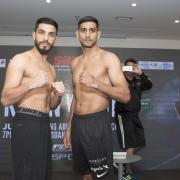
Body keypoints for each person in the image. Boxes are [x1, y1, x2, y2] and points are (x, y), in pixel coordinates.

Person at [63, 16, 130, 180]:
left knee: (101, 174)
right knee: (85, 173)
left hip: (97, 123)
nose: (87, 35)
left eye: (92, 30)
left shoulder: (109, 58)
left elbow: (125, 95)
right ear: (77, 34)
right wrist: (69, 127)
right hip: (78, 123)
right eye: (83, 30)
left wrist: (96, 84)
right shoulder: (75, 63)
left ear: (98, 34)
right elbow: (76, 98)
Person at [1, 17, 65, 180]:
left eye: (51, 34)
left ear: (55, 38)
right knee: (26, 173)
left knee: (42, 173)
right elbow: (5, 99)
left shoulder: (51, 69)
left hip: (44, 123)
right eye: (41, 32)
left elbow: (51, 106)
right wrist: (31, 84)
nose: (46, 38)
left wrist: (57, 96)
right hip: (25, 122)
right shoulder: (21, 59)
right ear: (34, 35)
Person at [114, 58, 152, 180]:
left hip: (135, 115)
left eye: (133, 66)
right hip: (123, 115)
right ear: (124, 68)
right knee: (130, 145)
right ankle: (127, 173)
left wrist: (140, 73)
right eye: (128, 66)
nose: (131, 68)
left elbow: (149, 85)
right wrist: (118, 70)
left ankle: (124, 165)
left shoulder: (138, 79)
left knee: (140, 143)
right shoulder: (119, 79)